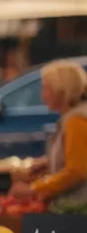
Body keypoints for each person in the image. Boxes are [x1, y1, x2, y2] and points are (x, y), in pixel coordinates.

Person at [15, 61, 87, 205]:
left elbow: (77, 171)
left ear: (61, 91)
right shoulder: (73, 117)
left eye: (46, 88)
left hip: (77, 210)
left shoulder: (76, 120)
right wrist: (51, 164)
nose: (43, 96)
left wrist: (34, 189)